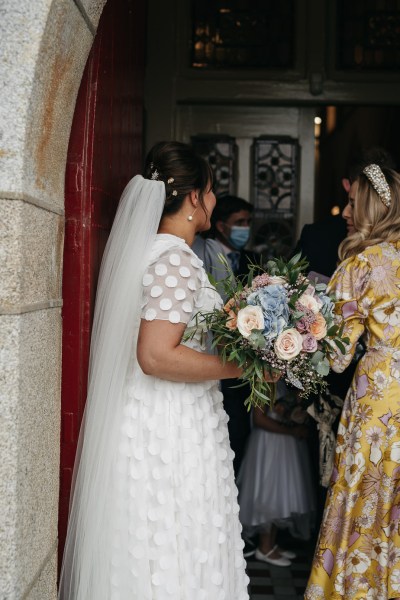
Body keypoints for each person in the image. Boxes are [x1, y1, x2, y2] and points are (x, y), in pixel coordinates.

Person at [59, 142, 261, 600]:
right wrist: (241, 368)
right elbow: (155, 355)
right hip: (168, 423)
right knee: (172, 536)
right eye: (211, 191)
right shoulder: (174, 260)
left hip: (161, 412)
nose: (212, 201)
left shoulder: (155, 252)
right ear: (194, 198)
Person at [305, 163, 400, 599]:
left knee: (366, 495)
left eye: (352, 202)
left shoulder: (360, 266)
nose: (344, 210)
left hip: (378, 401)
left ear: (373, 208)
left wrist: (304, 322)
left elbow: (338, 357)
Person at [192, 196, 257, 478]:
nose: (245, 228)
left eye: (248, 223)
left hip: (240, 375)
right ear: (220, 225)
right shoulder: (197, 256)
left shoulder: (254, 261)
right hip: (206, 361)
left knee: (238, 439)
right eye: (239, 223)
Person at [237, 382, 315, 567]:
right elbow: (259, 418)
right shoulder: (263, 382)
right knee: (269, 494)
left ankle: (271, 544)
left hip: (284, 443)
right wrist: (291, 430)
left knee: (281, 494)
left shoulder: (284, 381)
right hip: (269, 444)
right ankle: (264, 547)